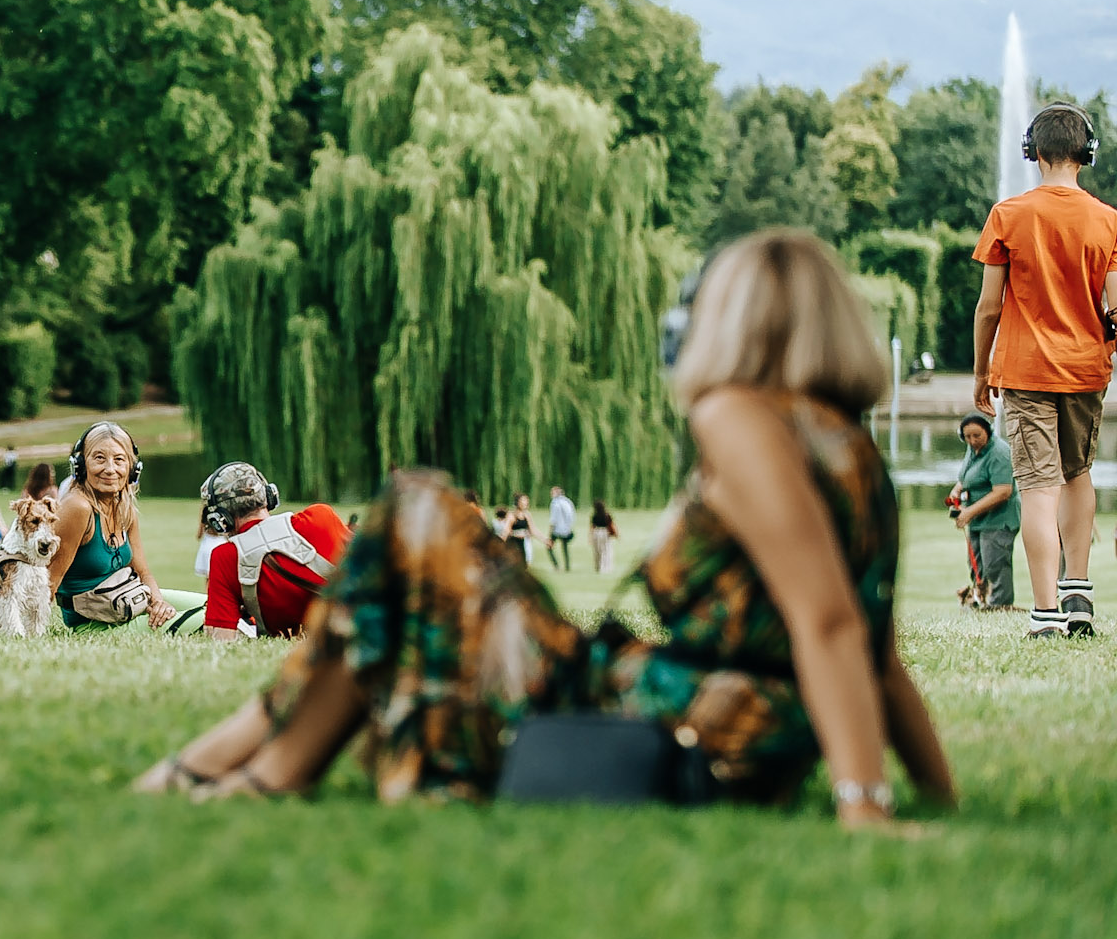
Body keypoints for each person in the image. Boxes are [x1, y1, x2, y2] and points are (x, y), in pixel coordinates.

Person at [137, 230, 958, 832]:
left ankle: (251, 758)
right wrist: (938, 795)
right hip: (735, 740)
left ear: (736, 320)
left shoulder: (739, 416)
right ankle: (265, 763)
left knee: (415, 510)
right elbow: (874, 652)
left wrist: (865, 807)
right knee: (407, 542)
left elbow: (831, 622)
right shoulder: (851, 451)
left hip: (687, 725)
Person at [971, 101, 1117, 639]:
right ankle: (1079, 591)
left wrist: (981, 371)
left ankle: (1045, 612)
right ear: (1087, 153)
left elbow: (989, 307)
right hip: (1086, 372)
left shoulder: (1007, 215)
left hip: (1025, 371)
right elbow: (1116, 309)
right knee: (1079, 477)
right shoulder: (1109, 221)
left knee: (1037, 488)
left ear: (1033, 153)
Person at [50, 421, 182, 630]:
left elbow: (143, 572)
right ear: (81, 465)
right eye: (99, 458)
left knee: (212, 605)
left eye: (119, 460)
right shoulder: (78, 507)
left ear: (132, 469)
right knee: (211, 619)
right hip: (93, 622)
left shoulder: (125, 508)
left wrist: (158, 603)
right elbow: (49, 580)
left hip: (127, 601)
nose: (110, 469)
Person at [198, 462, 352, 640]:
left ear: (220, 519)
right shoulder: (321, 516)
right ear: (270, 496)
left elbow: (221, 637)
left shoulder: (224, 558)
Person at [949, 412, 1019, 611]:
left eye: (977, 436)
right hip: (978, 520)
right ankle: (981, 603)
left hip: (999, 519)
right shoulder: (973, 450)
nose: (972, 441)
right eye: (967, 437)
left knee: (995, 565)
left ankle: (1001, 607)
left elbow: (1003, 491)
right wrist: (958, 489)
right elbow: (968, 475)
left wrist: (969, 512)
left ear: (988, 432)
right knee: (977, 567)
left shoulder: (999, 453)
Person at [546, 486, 577, 570]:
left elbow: (553, 519)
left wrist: (550, 531)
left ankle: (556, 565)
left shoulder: (555, 503)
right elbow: (572, 515)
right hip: (566, 529)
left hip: (557, 529)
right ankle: (567, 566)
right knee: (565, 548)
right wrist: (569, 527)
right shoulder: (567, 501)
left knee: (549, 546)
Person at [589, 500, 617, 573]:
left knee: (597, 551)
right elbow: (611, 525)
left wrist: (590, 537)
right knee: (606, 550)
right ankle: (605, 567)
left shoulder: (594, 516)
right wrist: (616, 534)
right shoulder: (607, 515)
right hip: (605, 533)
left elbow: (592, 527)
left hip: (596, 532)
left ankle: (597, 567)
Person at [506, 493, 534, 564]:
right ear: (518, 502)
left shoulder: (527, 515)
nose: (526, 502)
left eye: (527, 500)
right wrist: (516, 533)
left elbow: (533, 530)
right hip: (512, 545)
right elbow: (506, 532)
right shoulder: (511, 515)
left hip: (522, 545)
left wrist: (545, 540)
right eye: (524, 500)